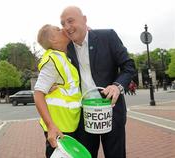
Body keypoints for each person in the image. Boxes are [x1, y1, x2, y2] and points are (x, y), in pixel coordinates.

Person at [60, 6, 136, 158]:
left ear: (84, 19)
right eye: (63, 24)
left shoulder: (107, 36)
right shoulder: (64, 48)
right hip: (83, 116)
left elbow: (129, 66)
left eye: (70, 21)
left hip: (111, 112)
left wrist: (117, 86)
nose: (67, 27)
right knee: (85, 155)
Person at [34, 24, 82, 158]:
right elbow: (38, 95)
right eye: (58, 29)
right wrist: (51, 126)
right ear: (53, 40)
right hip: (58, 128)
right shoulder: (52, 60)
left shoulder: (63, 57)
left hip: (68, 125)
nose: (63, 29)